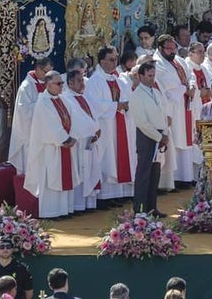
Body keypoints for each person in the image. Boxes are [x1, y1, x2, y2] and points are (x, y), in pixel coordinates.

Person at [23, 72, 77, 219]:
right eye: (58, 84)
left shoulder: (62, 99)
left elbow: (70, 119)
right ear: (48, 84)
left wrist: (71, 136)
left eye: (62, 83)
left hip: (63, 145)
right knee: (51, 179)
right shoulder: (43, 102)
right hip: (50, 147)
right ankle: (50, 212)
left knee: (63, 177)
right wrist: (65, 139)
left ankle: (63, 210)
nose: (61, 86)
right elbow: (50, 126)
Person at [86, 46, 135, 206]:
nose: (115, 62)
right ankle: (104, 196)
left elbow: (128, 97)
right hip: (105, 126)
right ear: (102, 61)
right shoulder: (95, 81)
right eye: (111, 59)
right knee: (107, 158)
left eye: (116, 59)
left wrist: (126, 105)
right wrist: (116, 106)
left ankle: (120, 193)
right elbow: (93, 104)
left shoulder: (118, 79)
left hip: (120, 122)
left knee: (119, 155)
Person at [152, 34, 196, 188]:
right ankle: (172, 180)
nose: (172, 51)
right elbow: (167, 85)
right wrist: (185, 88)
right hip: (171, 108)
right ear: (160, 48)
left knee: (184, 140)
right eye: (168, 49)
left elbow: (190, 75)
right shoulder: (157, 64)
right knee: (174, 141)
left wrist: (191, 86)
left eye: (174, 48)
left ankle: (185, 177)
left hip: (184, 105)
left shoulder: (178, 61)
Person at [128, 61, 167, 216]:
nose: (152, 78)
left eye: (153, 75)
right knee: (144, 172)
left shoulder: (155, 92)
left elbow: (162, 115)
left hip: (158, 134)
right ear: (141, 76)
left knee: (154, 172)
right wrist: (159, 137)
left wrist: (165, 134)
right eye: (149, 75)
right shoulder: (137, 96)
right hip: (147, 136)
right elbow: (142, 122)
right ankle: (140, 208)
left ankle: (152, 207)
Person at [64, 68, 101, 212]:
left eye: (83, 80)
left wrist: (96, 128)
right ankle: (78, 205)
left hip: (89, 140)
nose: (83, 84)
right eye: (79, 81)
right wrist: (91, 129)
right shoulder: (67, 99)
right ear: (71, 83)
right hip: (79, 142)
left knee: (90, 170)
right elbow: (76, 121)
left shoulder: (82, 96)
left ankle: (89, 204)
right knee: (79, 172)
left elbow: (93, 115)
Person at [9, 58, 51, 173]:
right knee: (33, 170)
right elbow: (23, 112)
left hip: (48, 134)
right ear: (37, 69)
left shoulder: (50, 84)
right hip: (31, 134)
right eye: (45, 72)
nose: (48, 75)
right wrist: (43, 104)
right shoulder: (26, 87)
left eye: (50, 72)